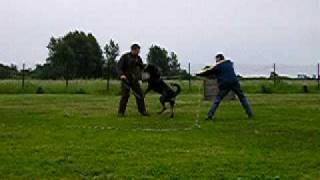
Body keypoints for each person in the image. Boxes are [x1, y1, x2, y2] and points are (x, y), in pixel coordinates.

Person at [203, 53, 253, 120]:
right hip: (235, 82)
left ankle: (210, 115)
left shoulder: (218, 66)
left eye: (216, 59)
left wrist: (199, 74)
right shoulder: (229, 63)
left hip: (225, 84)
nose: (216, 61)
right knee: (242, 97)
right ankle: (250, 114)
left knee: (217, 100)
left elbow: (210, 71)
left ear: (220, 58)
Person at [117, 44, 149, 117]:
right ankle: (121, 112)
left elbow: (141, 68)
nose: (138, 52)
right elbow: (119, 67)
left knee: (140, 95)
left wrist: (144, 76)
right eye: (137, 51)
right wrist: (121, 75)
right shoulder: (125, 57)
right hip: (126, 80)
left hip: (135, 80)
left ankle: (143, 111)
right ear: (133, 50)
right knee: (125, 96)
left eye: (139, 51)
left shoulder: (138, 58)